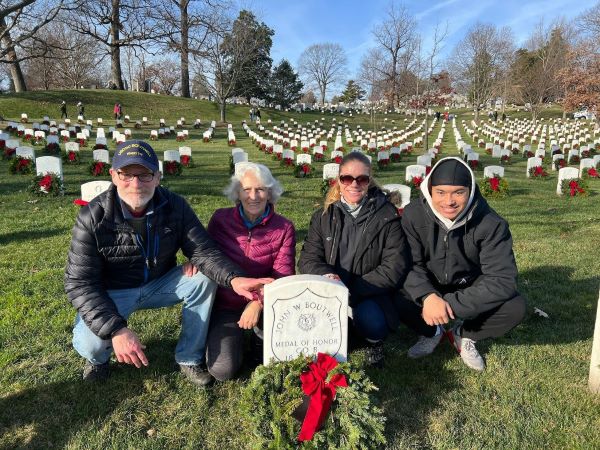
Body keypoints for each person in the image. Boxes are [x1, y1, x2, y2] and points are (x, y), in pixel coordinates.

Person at [65, 140, 273, 386]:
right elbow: (79, 283)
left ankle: (189, 357)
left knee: (202, 278)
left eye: (145, 175)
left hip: (159, 282)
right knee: (90, 343)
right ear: (113, 175)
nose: (135, 184)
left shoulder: (175, 206)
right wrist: (116, 330)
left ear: (157, 177)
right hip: (113, 292)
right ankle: (98, 361)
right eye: (126, 174)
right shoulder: (92, 216)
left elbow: (203, 250)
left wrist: (234, 279)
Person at [398, 157, 526, 371]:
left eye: (458, 192)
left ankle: (463, 334)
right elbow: (409, 263)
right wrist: (427, 297)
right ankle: (432, 332)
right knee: (394, 291)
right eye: (440, 192)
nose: (449, 201)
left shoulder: (491, 223)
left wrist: (449, 305)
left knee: (515, 307)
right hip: (429, 282)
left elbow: (502, 279)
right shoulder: (413, 214)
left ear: (471, 190)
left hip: (469, 285)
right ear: (430, 190)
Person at [298, 152, 410, 367]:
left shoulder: (387, 216)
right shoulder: (323, 216)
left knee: (372, 322)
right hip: (330, 289)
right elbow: (308, 258)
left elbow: (393, 267)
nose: (354, 184)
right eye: (347, 178)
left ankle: (373, 342)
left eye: (362, 179)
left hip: (368, 291)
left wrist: (352, 291)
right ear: (339, 180)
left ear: (369, 180)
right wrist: (326, 276)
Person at [190, 163, 296, 381]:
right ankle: (231, 338)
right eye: (246, 189)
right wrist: (192, 262)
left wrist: (257, 302)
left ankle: (259, 337)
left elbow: (283, 276)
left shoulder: (284, 227)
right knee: (222, 370)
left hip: (267, 302)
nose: (253, 196)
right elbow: (208, 256)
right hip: (226, 303)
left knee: (271, 360)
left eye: (260, 189)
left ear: (270, 193)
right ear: (237, 192)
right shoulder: (220, 219)